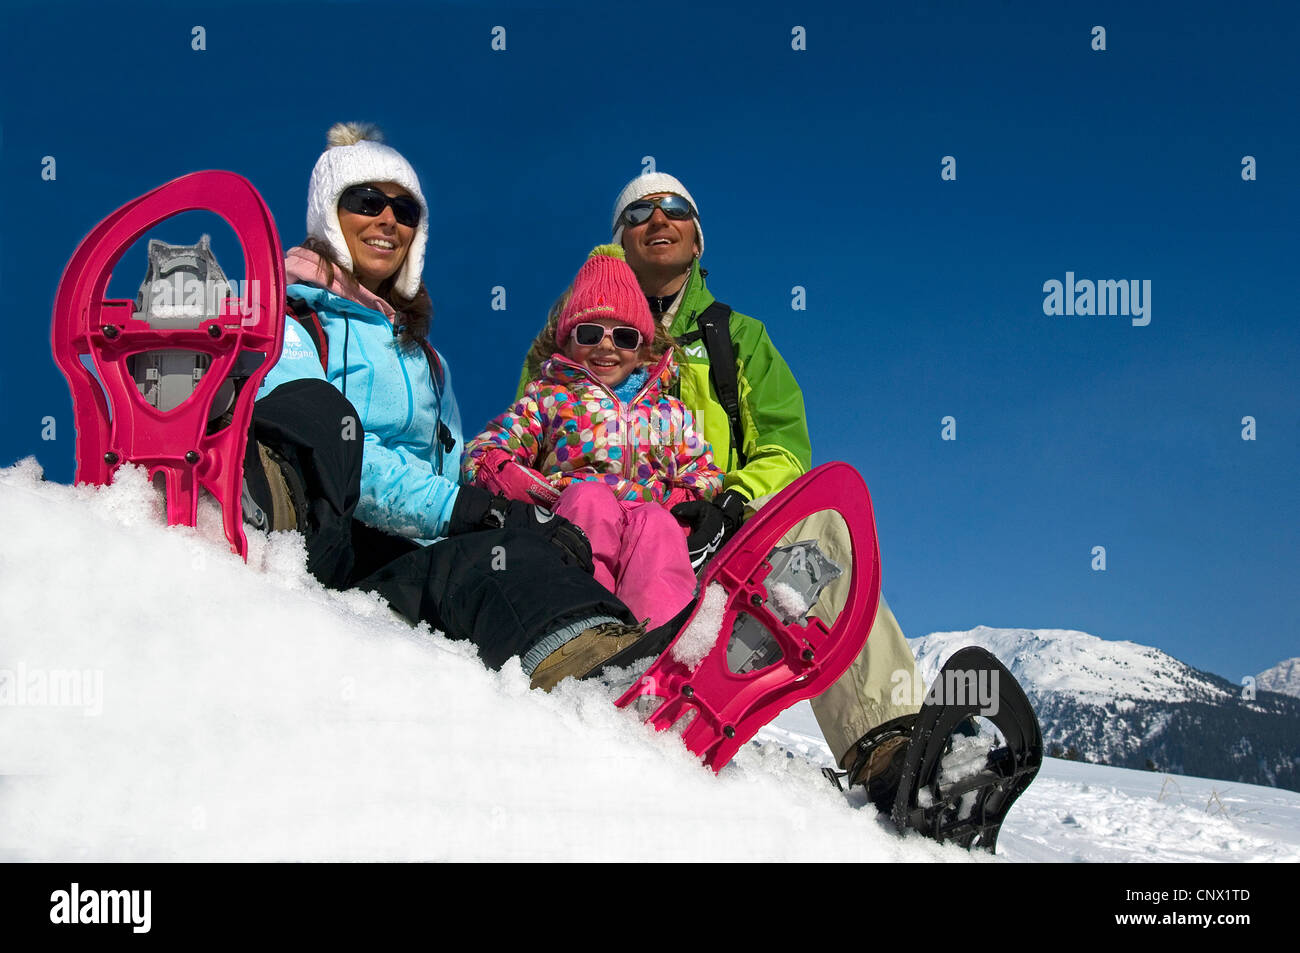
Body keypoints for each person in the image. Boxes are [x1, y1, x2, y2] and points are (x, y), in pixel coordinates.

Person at [518, 172, 926, 811]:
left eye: (674, 208)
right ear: (618, 239)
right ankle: (604, 669)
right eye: (638, 212)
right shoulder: (573, 341)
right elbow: (531, 435)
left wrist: (731, 501)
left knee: (822, 533)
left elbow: (787, 446)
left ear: (697, 237)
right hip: (604, 534)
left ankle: (894, 752)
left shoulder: (737, 340)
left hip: (723, 542)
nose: (658, 219)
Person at [246, 123, 653, 690]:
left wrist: (520, 509)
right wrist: (472, 513)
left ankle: (633, 672)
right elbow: (318, 450)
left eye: (406, 210)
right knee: (323, 419)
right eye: (367, 201)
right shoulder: (289, 321)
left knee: (509, 557)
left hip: (404, 562)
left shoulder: (428, 362)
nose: (389, 220)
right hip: (323, 547)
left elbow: (456, 474)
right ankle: (606, 685)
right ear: (328, 215)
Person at [463, 245, 724, 665]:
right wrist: (525, 486)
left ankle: (659, 649)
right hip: (571, 506)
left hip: (648, 510)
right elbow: (487, 451)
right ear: (567, 340)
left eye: (623, 336)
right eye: (590, 333)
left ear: (643, 348)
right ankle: (579, 630)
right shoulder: (551, 398)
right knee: (590, 501)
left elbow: (703, 473)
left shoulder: (668, 411)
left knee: (657, 526)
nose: (606, 346)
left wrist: (685, 504)